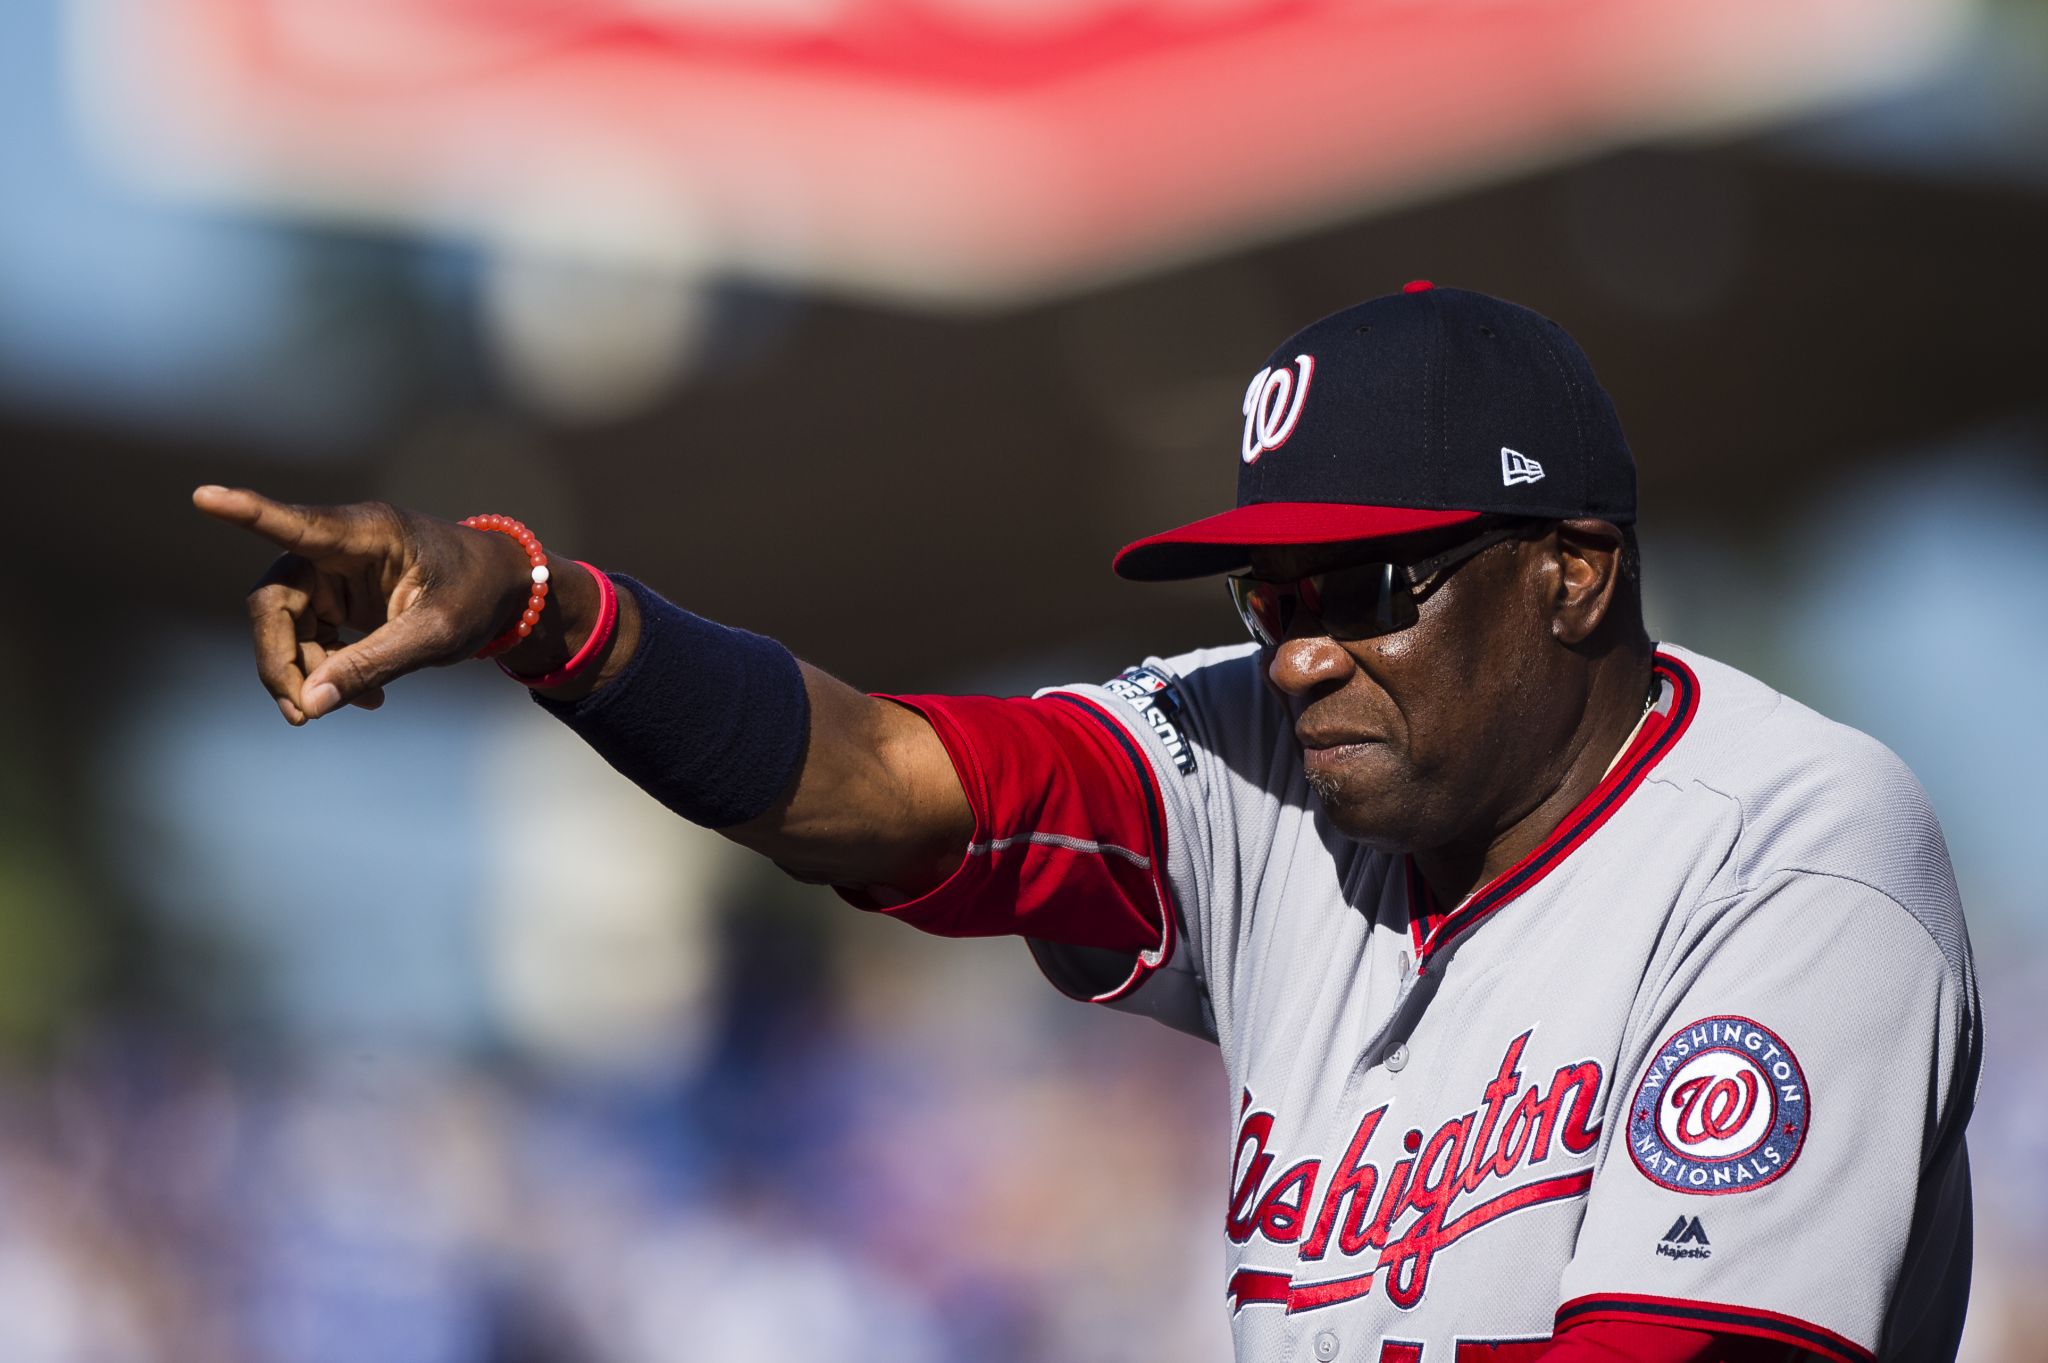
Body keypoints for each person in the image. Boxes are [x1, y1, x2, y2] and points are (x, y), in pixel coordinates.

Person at [195, 282, 1978, 1363]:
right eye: (1268, 601)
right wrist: (530, 605)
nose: (1299, 659)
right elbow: (887, 788)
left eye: (1362, 584)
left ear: (1575, 575)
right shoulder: (1290, 772)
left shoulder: (1792, 843)